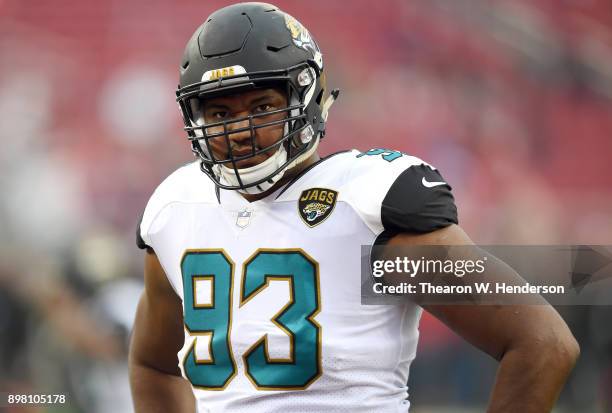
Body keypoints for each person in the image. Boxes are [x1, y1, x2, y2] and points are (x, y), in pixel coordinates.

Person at [129, 3, 579, 412]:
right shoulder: (176, 207)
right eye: (221, 114)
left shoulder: (364, 203)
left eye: (262, 106)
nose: (240, 129)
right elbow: (154, 365)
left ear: (305, 100)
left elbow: (541, 342)